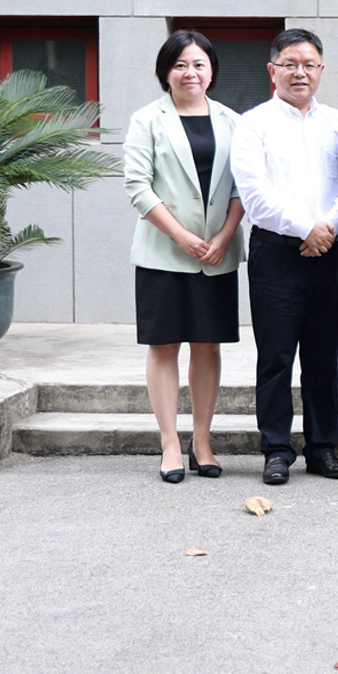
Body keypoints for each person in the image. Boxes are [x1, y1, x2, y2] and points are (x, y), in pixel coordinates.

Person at [121, 30, 245, 484]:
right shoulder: (147, 120)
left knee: (208, 345)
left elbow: (243, 187)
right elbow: (137, 185)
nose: (190, 73)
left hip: (217, 253)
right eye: (180, 65)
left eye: (198, 65)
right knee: (164, 345)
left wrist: (224, 236)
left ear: (212, 71)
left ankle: (203, 440)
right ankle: (170, 442)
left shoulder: (234, 121)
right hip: (163, 252)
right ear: (166, 72)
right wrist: (180, 235)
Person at [230, 28, 338, 487]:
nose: (300, 73)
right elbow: (255, 195)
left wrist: (329, 228)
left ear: (321, 69)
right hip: (275, 255)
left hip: (329, 254)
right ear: (272, 70)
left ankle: (323, 448)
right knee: (276, 357)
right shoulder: (253, 124)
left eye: (309, 65)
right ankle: (277, 450)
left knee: (323, 357)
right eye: (290, 64)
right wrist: (308, 229)